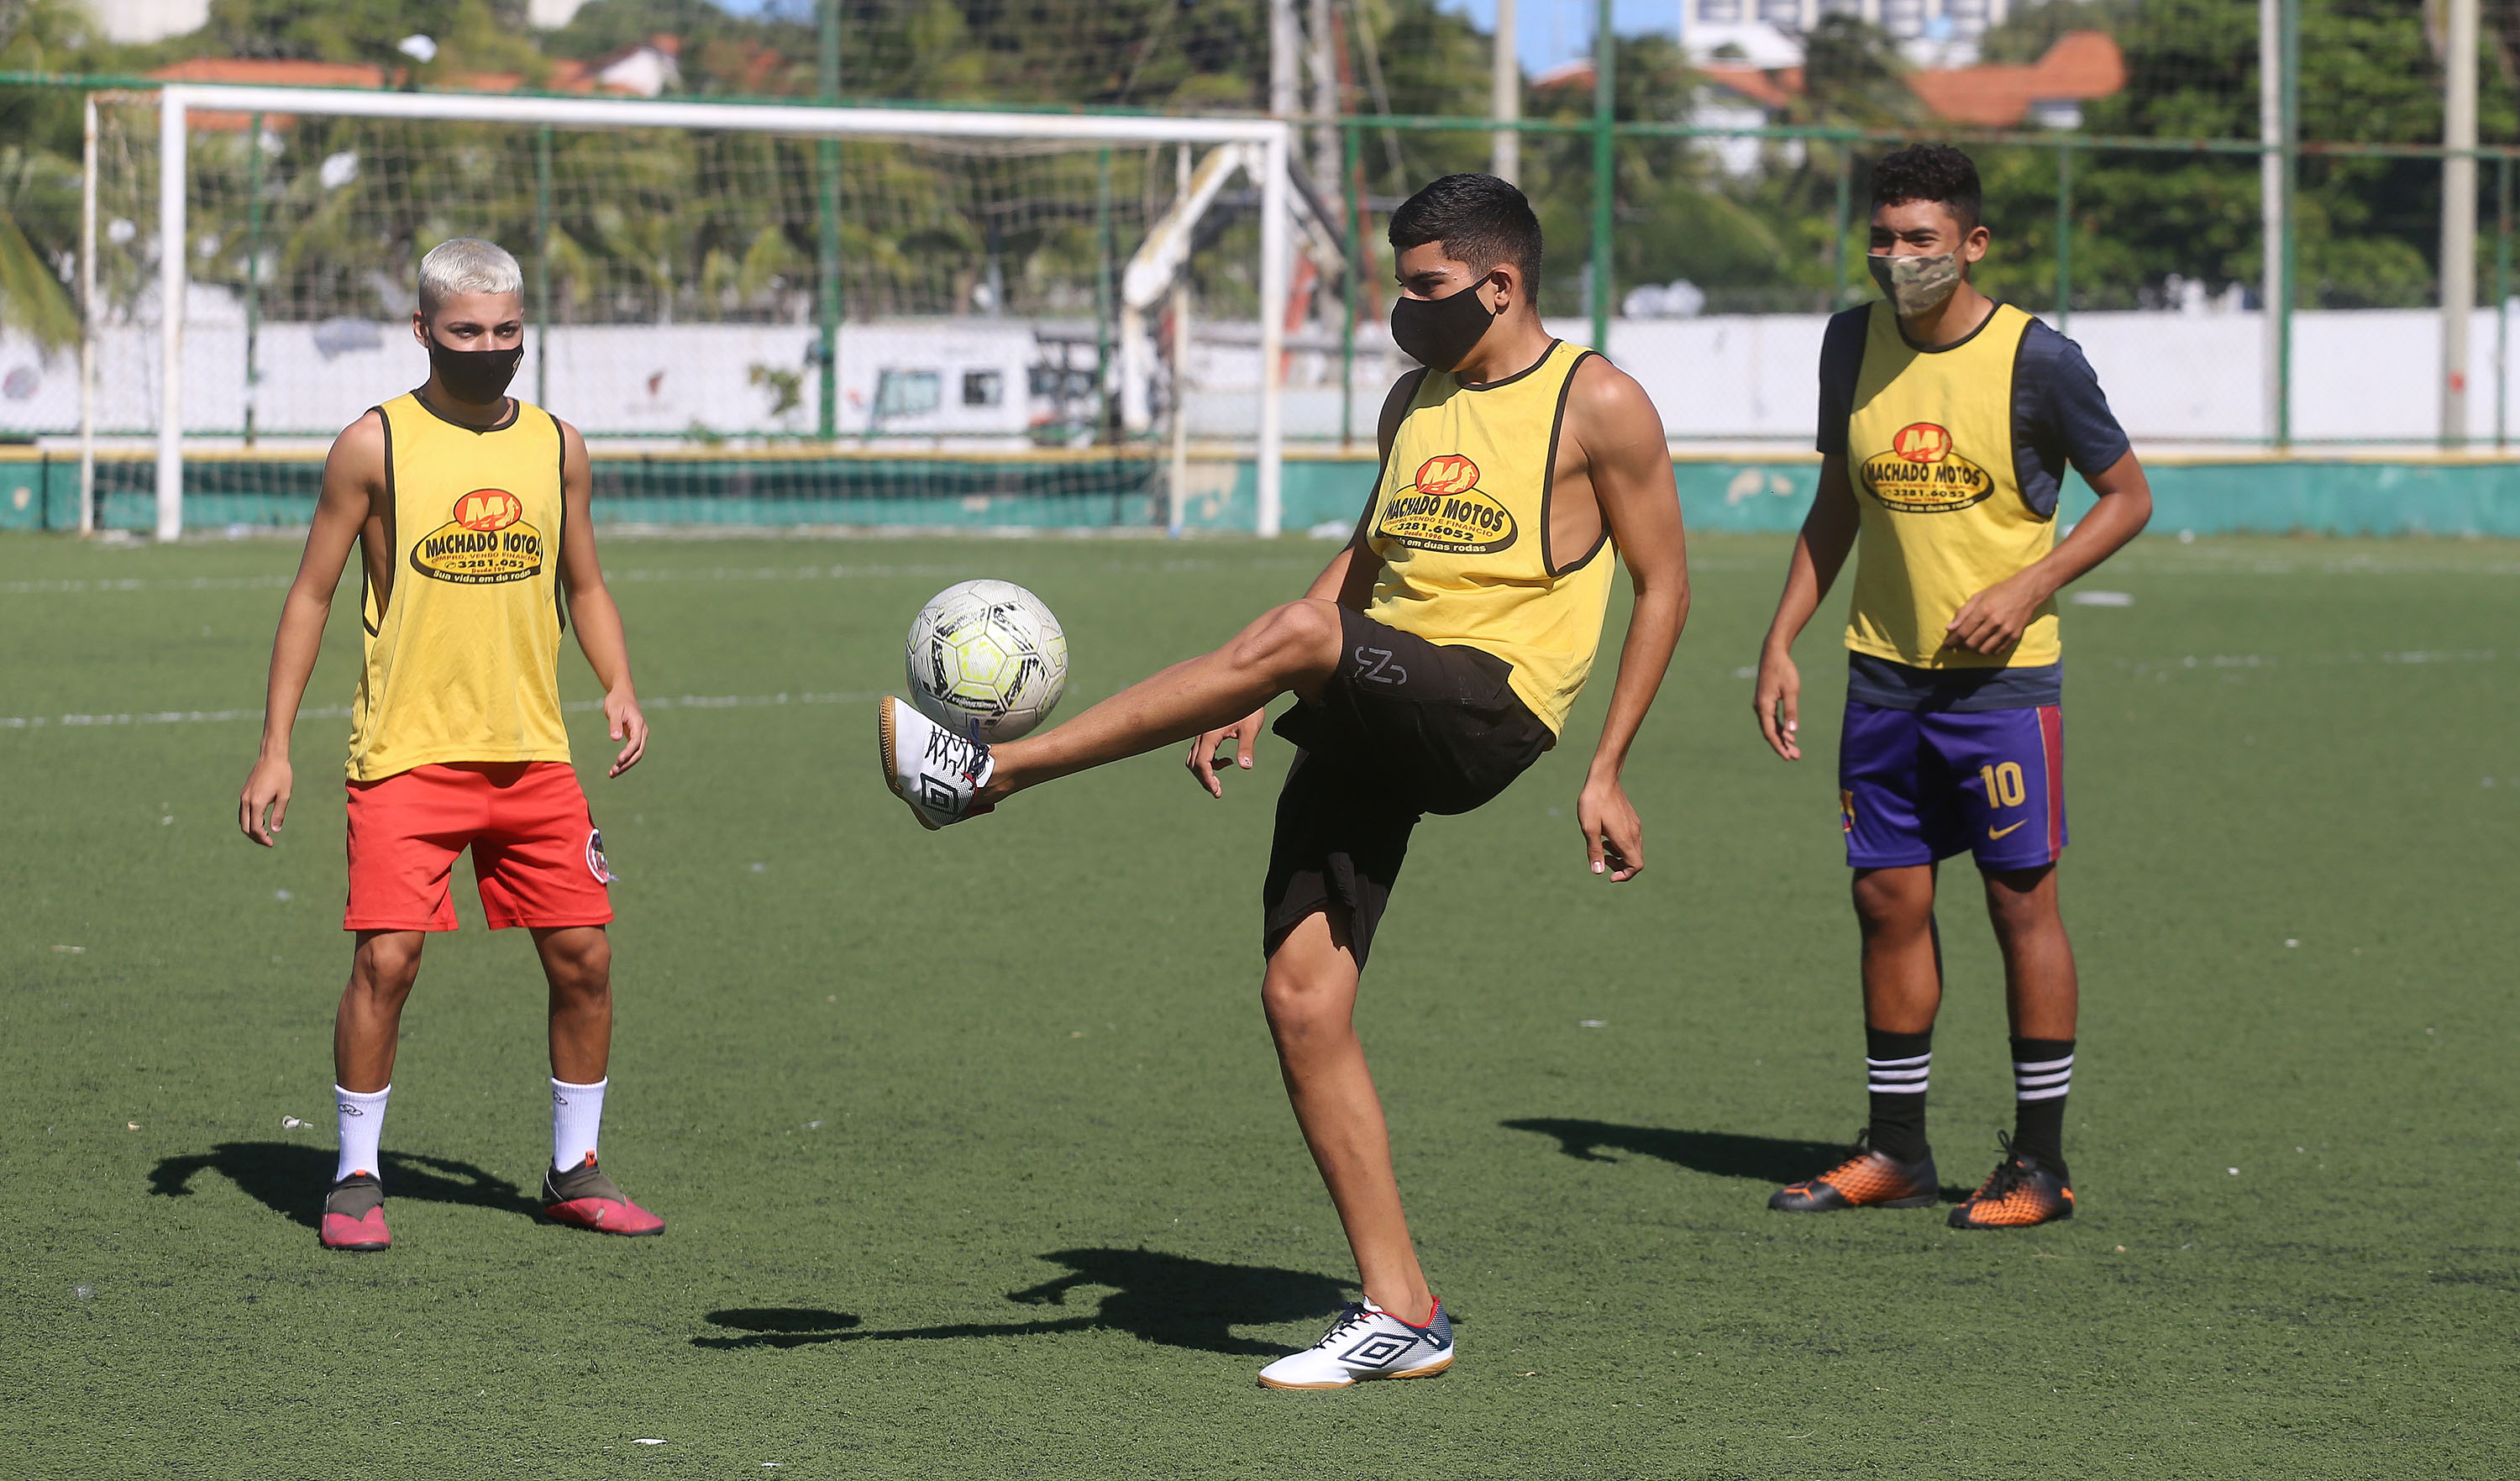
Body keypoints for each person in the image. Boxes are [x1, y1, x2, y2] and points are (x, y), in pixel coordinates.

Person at [880, 174, 1689, 1387]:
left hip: (1492, 708)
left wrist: (1610, 766)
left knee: (1298, 632)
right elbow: (1369, 555)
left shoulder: (1601, 401)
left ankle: (993, 772)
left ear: (1502, 282)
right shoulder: (1414, 399)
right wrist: (1246, 680)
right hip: (1381, 690)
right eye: (1401, 285)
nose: (1403, 309)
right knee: (1303, 999)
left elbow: (1664, 582)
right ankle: (1402, 1311)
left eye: (1425, 287)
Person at [1752, 145, 2151, 1229]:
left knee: (2021, 904)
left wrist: (2032, 583)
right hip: (1882, 679)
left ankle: (2040, 1164)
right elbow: (1838, 498)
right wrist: (1783, 635)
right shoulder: (1851, 341)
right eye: (1883, 238)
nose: (1898, 258)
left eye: (1921, 239)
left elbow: (2126, 496)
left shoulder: (2039, 358)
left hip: (2002, 691)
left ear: (1972, 243)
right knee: (1887, 899)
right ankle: (1896, 1149)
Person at [237, 238, 661, 1252]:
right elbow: (311, 594)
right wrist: (275, 745)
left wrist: (619, 683)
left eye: (507, 331)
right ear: (423, 330)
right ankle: (351, 1177)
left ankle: (575, 1169)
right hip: (405, 757)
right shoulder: (373, 444)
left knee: (585, 956)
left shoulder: (558, 445)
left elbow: (585, 582)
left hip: (533, 754)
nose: (489, 347)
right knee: (387, 961)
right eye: (467, 331)